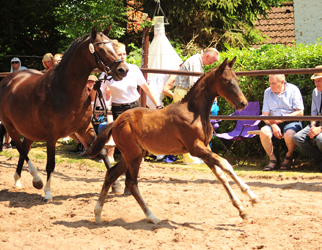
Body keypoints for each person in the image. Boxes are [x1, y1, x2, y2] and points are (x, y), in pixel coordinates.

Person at [172, 48, 220, 164]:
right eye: (212, 61)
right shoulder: (195, 62)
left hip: (183, 93)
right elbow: (195, 84)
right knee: (187, 126)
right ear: (208, 56)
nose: (211, 64)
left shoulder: (196, 62)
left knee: (188, 126)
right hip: (183, 94)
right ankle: (189, 158)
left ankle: (191, 156)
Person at [260, 74, 304, 171]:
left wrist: (282, 119)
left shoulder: (293, 90)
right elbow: (264, 115)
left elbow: (300, 112)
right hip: (273, 122)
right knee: (263, 132)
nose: (270, 86)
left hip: (291, 120)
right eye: (270, 83)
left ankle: (289, 157)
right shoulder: (267, 92)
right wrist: (273, 125)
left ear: (282, 82)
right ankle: (272, 160)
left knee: (290, 135)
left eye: (273, 83)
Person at [293, 66, 322, 172]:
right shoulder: (315, 92)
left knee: (320, 139)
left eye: (319, 81)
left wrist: (320, 129)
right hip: (317, 123)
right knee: (298, 138)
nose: (316, 84)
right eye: (315, 81)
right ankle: (320, 160)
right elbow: (313, 113)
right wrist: (313, 127)